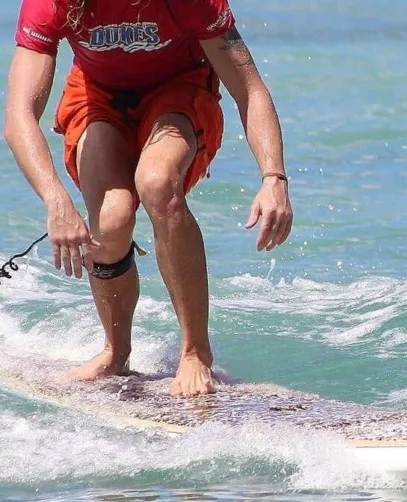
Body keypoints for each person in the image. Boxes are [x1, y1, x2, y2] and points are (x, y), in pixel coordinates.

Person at [4, 0, 294, 397]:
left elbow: (250, 89)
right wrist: (57, 202)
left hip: (181, 91)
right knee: (112, 219)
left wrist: (273, 177)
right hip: (96, 95)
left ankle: (195, 352)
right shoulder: (53, 3)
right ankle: (116, 352)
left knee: (157, 183)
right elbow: (19, 116)